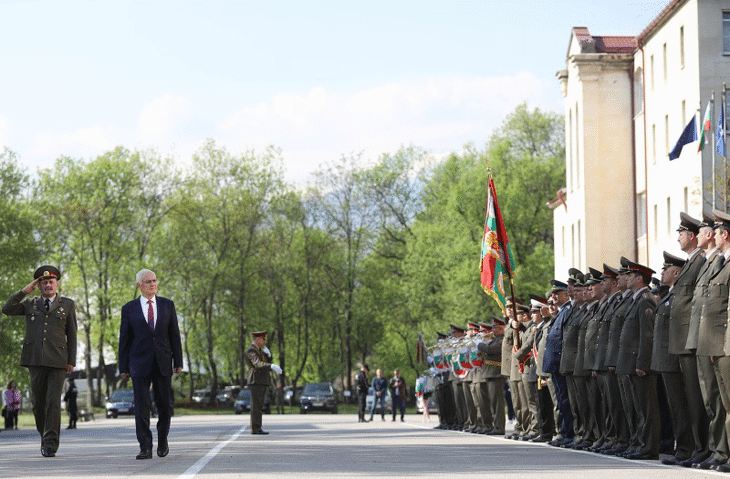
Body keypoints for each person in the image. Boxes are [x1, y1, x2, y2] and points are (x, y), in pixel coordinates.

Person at [2, 265, 77, 458]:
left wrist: (72, 361)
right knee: (37, 403)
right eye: (43, 283)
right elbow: (7, 309)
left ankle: (50, 443)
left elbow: (72, 334)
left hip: (58, 361)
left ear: (56, 284)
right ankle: (44, 436)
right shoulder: (30, 303)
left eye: (51, 282)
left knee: (53, 402)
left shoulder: (67, 304)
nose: (48, 285)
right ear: (39, 285)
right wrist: (23, 292)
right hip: (35, 359)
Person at [119, 269, 183, 460]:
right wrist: (123, 367)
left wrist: (178, 361)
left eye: (154, 281)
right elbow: (124, 339)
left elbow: (175, 335)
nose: (152, 284)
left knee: (164, 405)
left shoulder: (167, 305)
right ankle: (145, 447)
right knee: (141, 406)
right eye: (148, 282)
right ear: (139, 285)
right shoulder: (129, 308)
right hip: (138, 363)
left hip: (163, 361)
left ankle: (163, 441)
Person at [245, 331, 282, 435]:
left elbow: (265, 363)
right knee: (256, 406)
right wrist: (271, 366)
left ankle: (258, 427)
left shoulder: (259, 350)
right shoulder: (251, 350)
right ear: (257, 339)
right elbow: (257, 364)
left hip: (261, 380)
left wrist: (269, 357)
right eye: (263, 339)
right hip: (256, 380)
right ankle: (255, 428)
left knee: (259, 405)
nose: (264, 341)